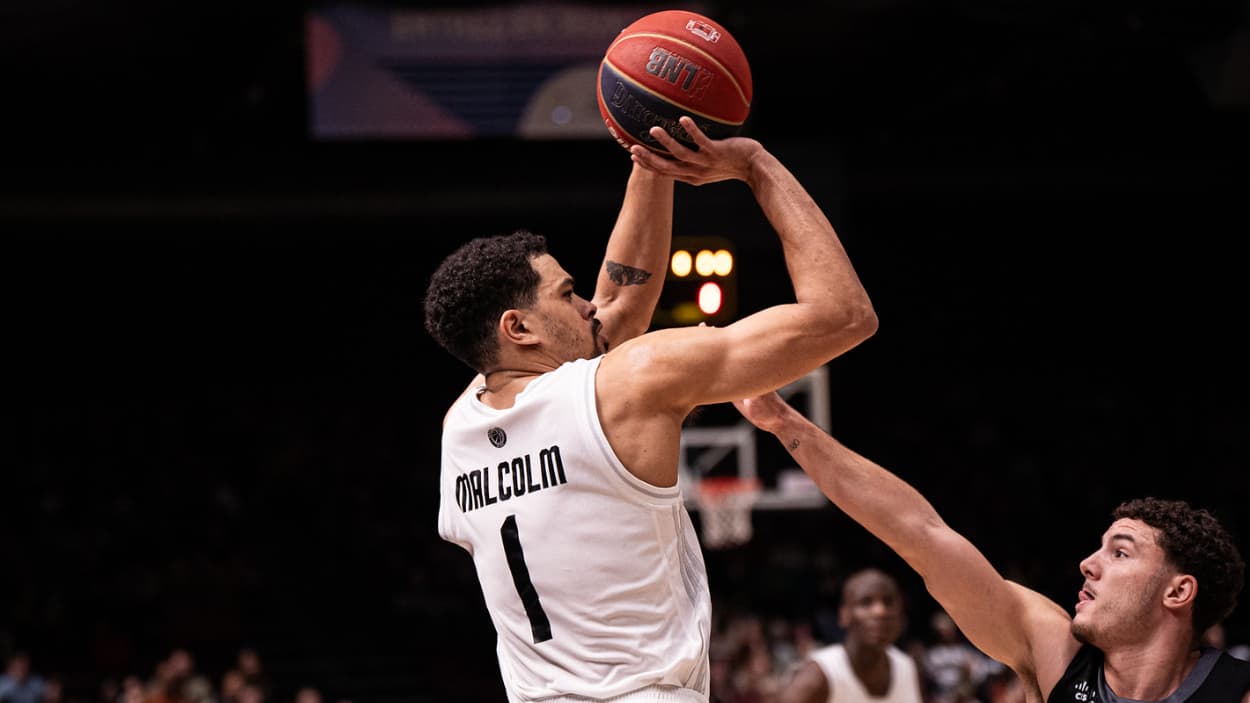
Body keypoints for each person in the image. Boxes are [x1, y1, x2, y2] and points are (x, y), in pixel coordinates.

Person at [424, 116, 878, 702]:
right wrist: (755, 166)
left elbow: (619, 304)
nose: (588, 304)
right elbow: (844, 315)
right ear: (519, 328)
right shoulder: (627, 384)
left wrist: (652, 157)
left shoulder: (460, 427)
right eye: (567, 295)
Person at [731, 391, 1250, 703]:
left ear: (1178, 592)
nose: (1087, 565)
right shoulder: (1054, 655)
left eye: (1120, 552)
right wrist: (784, 422)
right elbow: (921, 533)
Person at [779, 568, 924, 703]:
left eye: (888, 602)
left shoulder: (908, 667)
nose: (880, 611)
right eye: (866, 602)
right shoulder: (820, 675)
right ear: (844, 615)